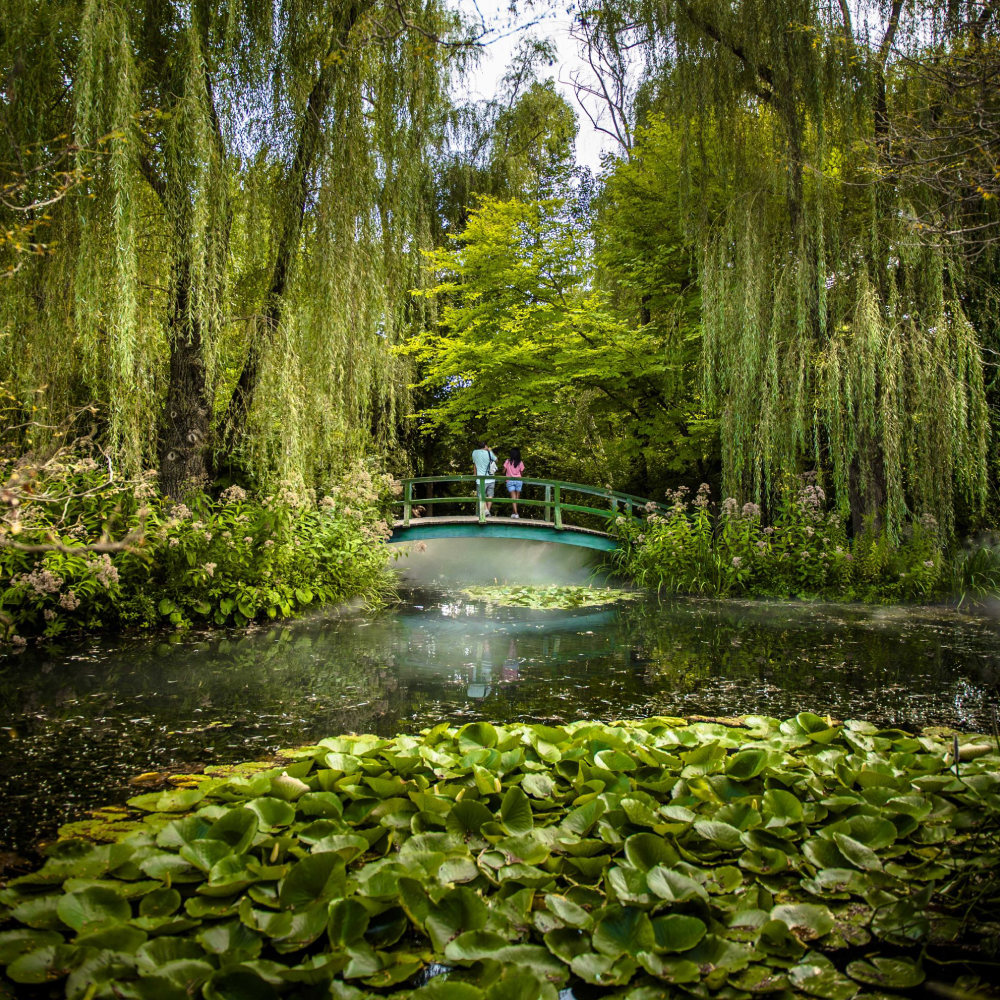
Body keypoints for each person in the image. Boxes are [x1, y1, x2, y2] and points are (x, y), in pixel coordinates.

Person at [471, 440, 497, 516]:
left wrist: (475, 475)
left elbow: (475, 464)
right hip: (491, 478)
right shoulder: (489, 452)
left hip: (480, 479)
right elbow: (496, 460)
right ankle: (487, 510)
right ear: (485, 446)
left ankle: (486, 510)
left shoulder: (474, 453)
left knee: (481, 495)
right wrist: (489, 450)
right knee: (490, 495)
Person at [504, 447, 525, 518]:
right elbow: (522, 473)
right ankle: (514, 513)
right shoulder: (521, 462)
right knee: (516, 498)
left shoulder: (507, 461)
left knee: (513, 498)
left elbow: (503, 471)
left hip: (510, 480)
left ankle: (515, 513)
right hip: (519, 480)